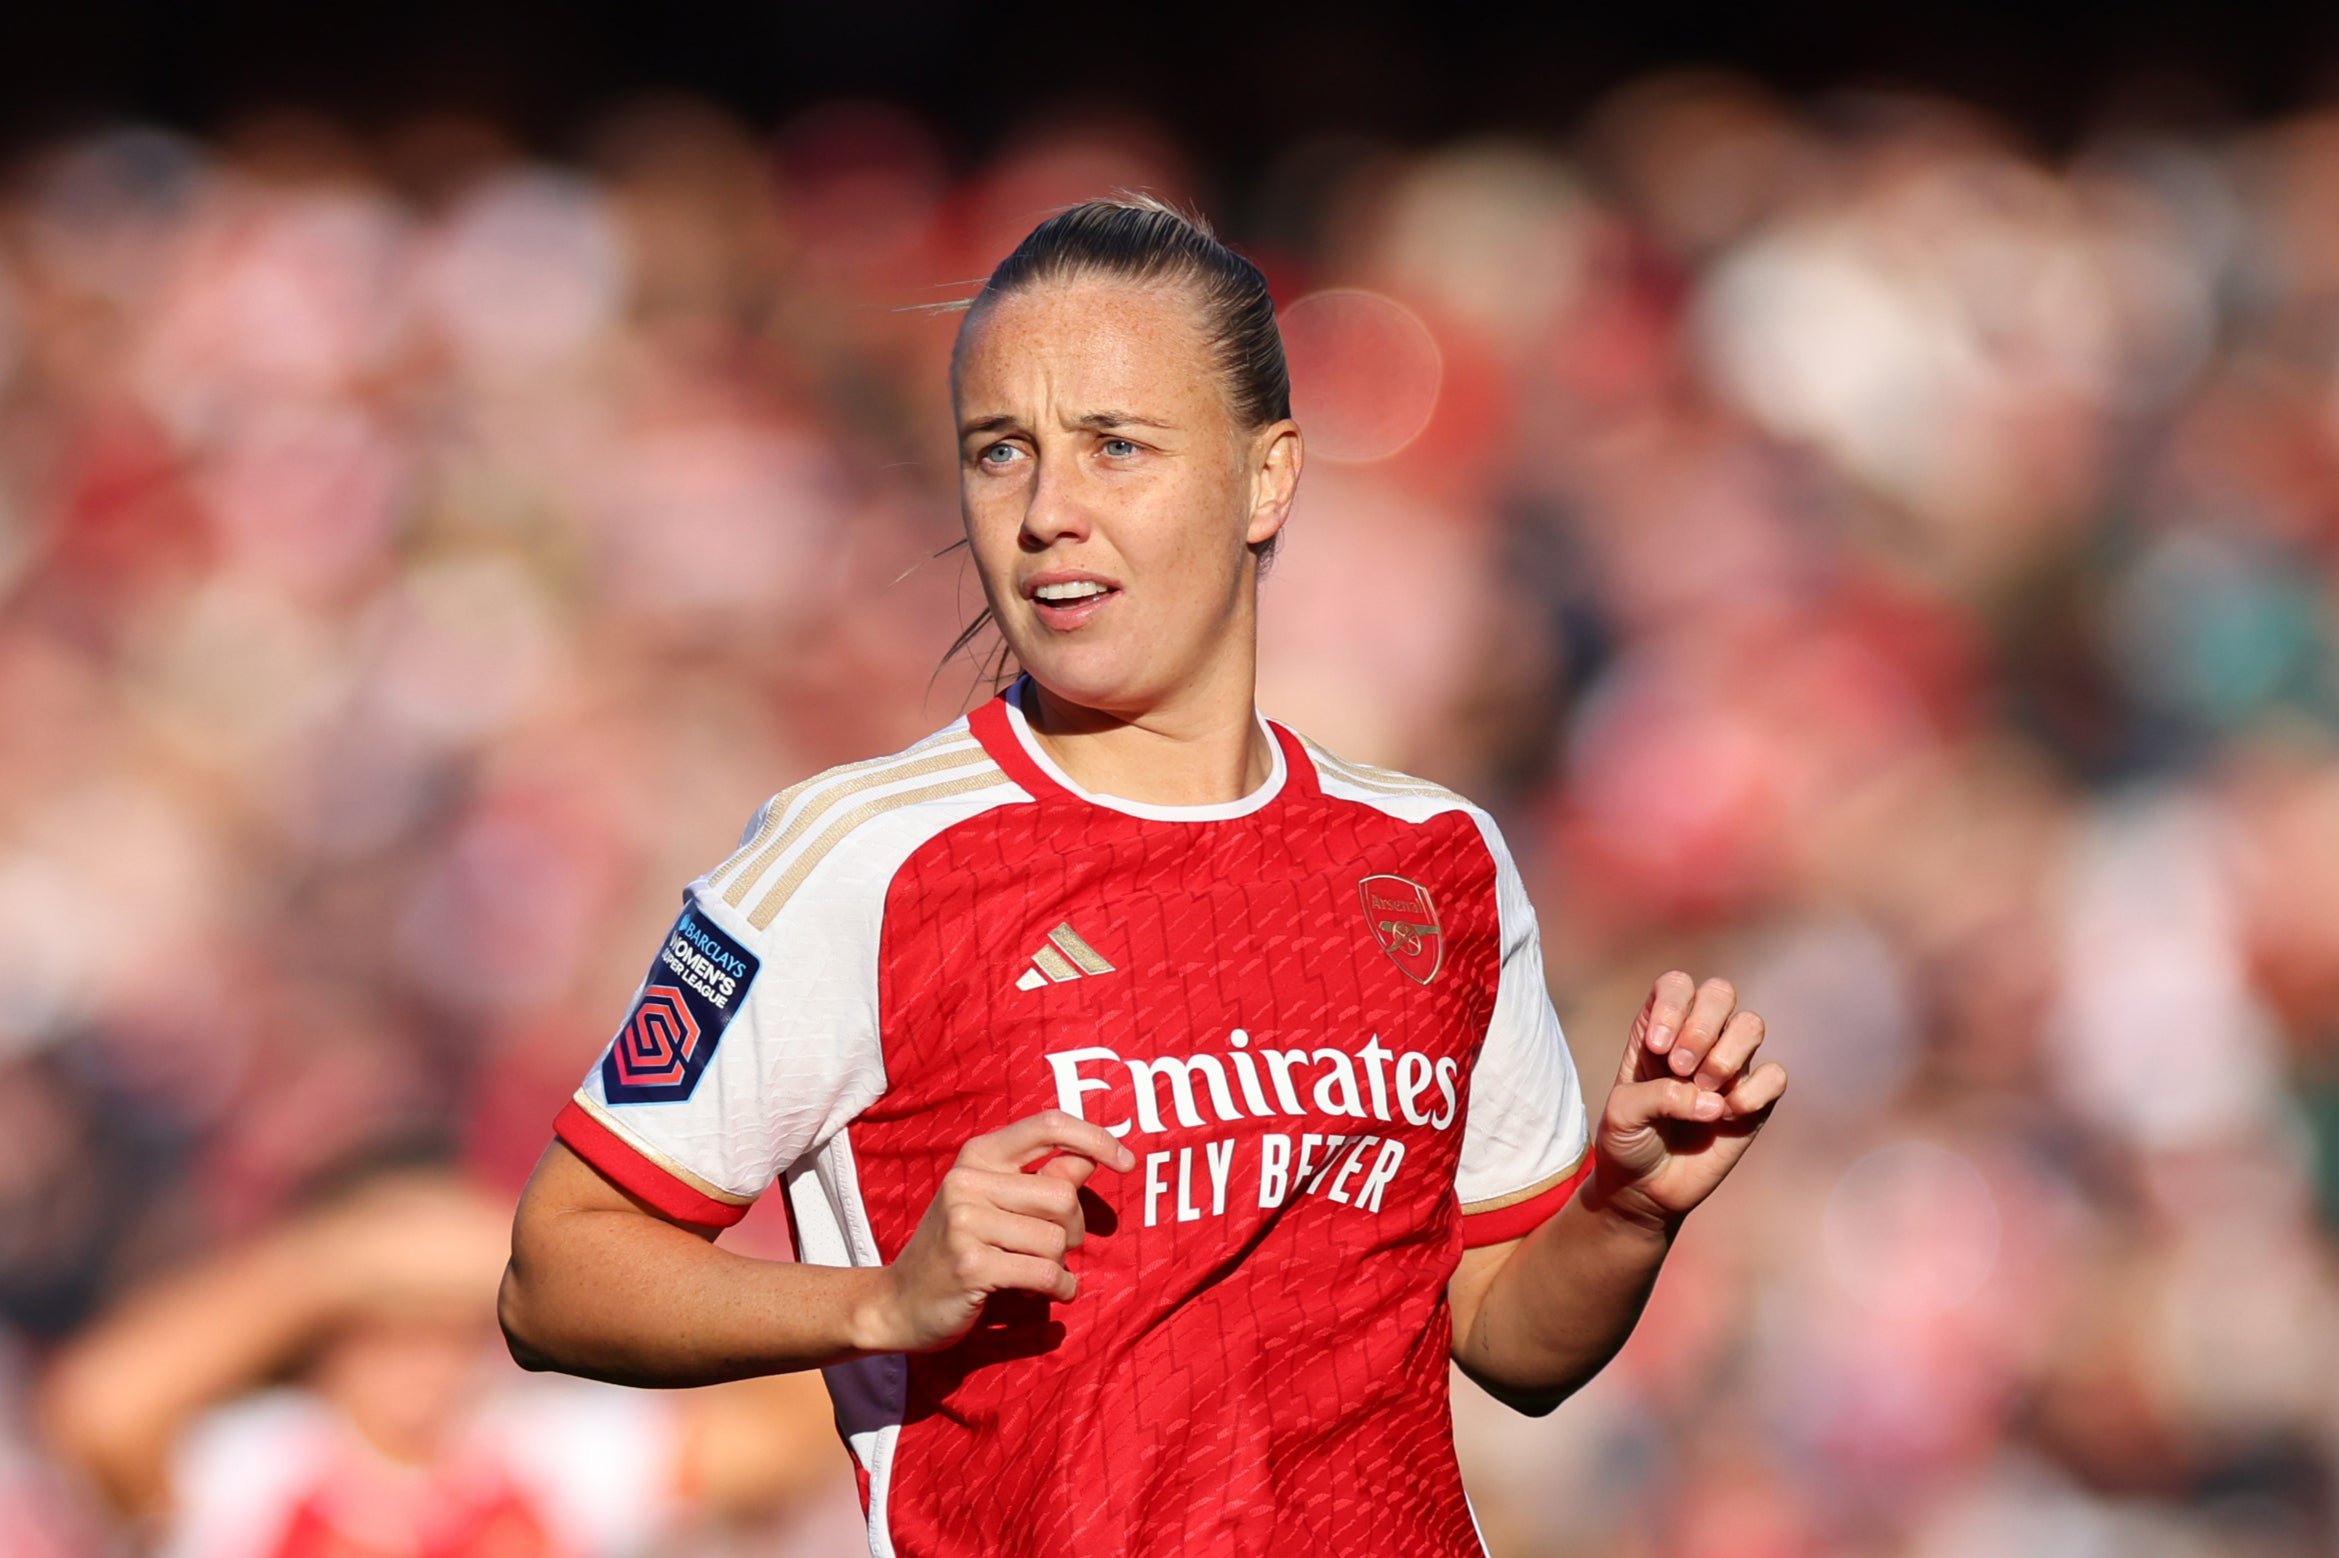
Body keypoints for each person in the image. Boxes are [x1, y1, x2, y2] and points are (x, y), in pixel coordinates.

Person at [498, 197, 1788, 1557]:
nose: (1049, 511)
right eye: (1002, 452)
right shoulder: (855, 857)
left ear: (1266, 475)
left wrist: (1624, 1206)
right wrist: (881, 1299)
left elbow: (1506, 1338)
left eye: (1115, 446)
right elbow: (554, 1273)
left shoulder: (1435, 856)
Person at [40, 1159, 846, 1558]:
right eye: (387, 1326)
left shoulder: (553, 1450)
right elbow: (92, 1411)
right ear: (329, 1335)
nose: (421, 1359)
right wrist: (328, 1262)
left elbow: (807, 1411)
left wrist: (548, 1251)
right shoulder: (256, 1462)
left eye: (448, 1326)